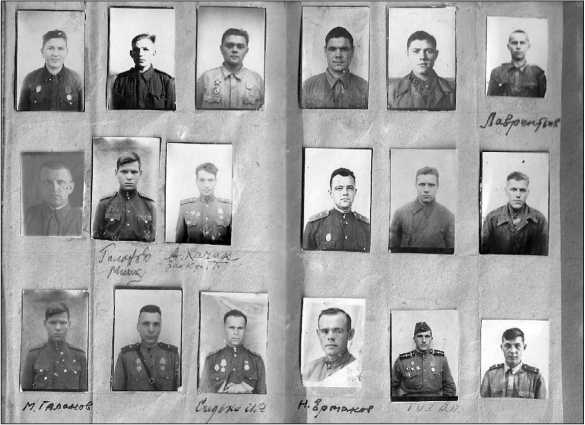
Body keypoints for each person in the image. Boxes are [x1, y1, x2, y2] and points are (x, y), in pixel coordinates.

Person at [21, 302, 87, 391]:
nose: (58, 328)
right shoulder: (33, 355)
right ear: (45, 324)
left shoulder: (79, 356)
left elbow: (84, 394)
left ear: (69, 324)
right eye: (53, 323)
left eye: (63, 323)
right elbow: (25, 393)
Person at [112, 304, 180, 391]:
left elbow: (181, 394)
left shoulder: (172, 356)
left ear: (160, 327)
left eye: (156, 324)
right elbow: (116, 395)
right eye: (146, 324)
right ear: (138, 327)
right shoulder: (125, 357)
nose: (151, 330)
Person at [93, 151, 156, 242]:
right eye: (124, 172)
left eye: (134, 172)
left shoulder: (149, 205)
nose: (129, 177)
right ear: (116, 173)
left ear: (140, 173)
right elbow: (96, 241)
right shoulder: (104, 205)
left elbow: (154, 241)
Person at [389, 166, 454, 253]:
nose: (426, 190)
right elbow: (393, 252)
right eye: (422, 184)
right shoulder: (400, 214)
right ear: (416, 185)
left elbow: (452, 253)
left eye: (431, 185)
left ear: (437, 186)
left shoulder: (448, 217)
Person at [303, 167, 370, 252]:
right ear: (331, 193)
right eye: (339, 188)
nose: (345, 193)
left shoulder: (366, 227)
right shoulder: (314, 226)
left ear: (355, 192)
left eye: (349, 188)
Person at [481, 171, 548, 255]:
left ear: (528, 192)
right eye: (513, 190)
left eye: (522, 190)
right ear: (506, 191)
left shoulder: (540, 220)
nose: (518, 195)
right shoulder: (491, 219)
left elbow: (546, 254)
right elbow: (483, 254)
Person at [199, 309, 266, 394]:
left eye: (240, 328)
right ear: (225, 329)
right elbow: (203, 395)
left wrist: (245, 389)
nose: (236, 332)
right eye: (231, 328)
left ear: (245, 330)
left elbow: (263, 396)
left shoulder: (256, 361)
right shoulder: (212, 360)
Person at [197, 28, 264, 110]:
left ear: (246, 51)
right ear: (221, 49)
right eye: (229, 46)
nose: (235, 50)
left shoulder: (257, 80)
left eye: (240, 47)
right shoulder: (206, 79)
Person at [301, 26, 368, 109]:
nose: (338, 55)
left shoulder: (364, 88)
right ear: (325, 51)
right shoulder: (308, 87)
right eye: (332, 49)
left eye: (344, 49)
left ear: (352, 51)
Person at [388, 30, 455, 110]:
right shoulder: (392, 91)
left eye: (429, 51)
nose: (422, 57)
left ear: (436, 55)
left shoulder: (453, 90)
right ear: (407, 54)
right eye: (416, 51)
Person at [18, 29, 83, 111]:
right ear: (42, 51)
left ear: (66, 52)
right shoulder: (30, 79)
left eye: (60, 48)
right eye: (50, 48)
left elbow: (83, 115)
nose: (55, 54)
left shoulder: (76, 80)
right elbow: (21, 116)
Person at [391, 321, 456, 400]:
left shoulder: (441, 359)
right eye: (420, 336)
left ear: (431, 339)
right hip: (409, 403)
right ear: (414, 339)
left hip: (435, 403)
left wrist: (443, 404)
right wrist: (398, 403)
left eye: (427, 336)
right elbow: (391, 387)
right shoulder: (402, 361)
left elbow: (450, 387)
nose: (424, 340)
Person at [111, 33, 175, 110]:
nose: (140, 54)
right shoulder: (120, 81)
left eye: (145, 49)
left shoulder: (166, 81)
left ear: (153, 52)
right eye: (136, 50)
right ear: (131, 54)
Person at [480, 327, 546, 398]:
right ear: (502, 348)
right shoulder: (490, 376)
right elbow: (482, 404)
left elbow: (542, 404)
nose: (512, 351)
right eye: (507, 346)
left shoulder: (536, 377)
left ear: (524, 347)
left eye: (517, 346)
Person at [302, 308, 361, 387]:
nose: (330, 337)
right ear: (318, 334)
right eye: (325, 331)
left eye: (338, 331)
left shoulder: (358, 370)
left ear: (350, 334)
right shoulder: (309, 370)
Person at [175, 162, 231, 244]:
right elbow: (179, 244)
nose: (206, 185)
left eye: (210, 180)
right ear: (196, 181)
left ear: (216, 181)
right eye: (202, 180)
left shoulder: (227, 208)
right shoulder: (186, 208)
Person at [24, 161, 82, 236]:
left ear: (70, 188)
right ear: (40, 186)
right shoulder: (28, 216)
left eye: (60, 182)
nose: (54, 189)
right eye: (48, 182)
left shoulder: (81, 219)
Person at [487, 29, 546, 97]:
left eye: (522, 43)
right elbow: (489, 100)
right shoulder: (497, 73)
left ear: (528, 46)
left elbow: (545, 101)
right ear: (508, 46)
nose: (518, 47)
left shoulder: (537, 74)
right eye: (514, 43)